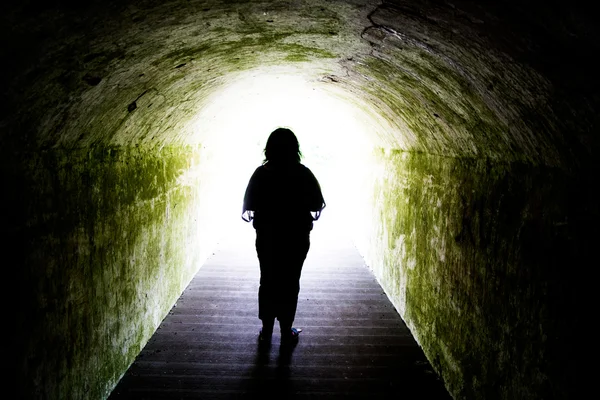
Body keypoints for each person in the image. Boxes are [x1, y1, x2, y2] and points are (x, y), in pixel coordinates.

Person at [242, 127, 325, 345]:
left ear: (269, 149)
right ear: (294, 149)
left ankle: (267, 329)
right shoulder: (303, 173)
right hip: (296, 236)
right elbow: (316, 203)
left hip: (267, 236)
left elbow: (250, 205)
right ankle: (286, 330)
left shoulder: (261, 174)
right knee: (290, 280)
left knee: (268, 278)